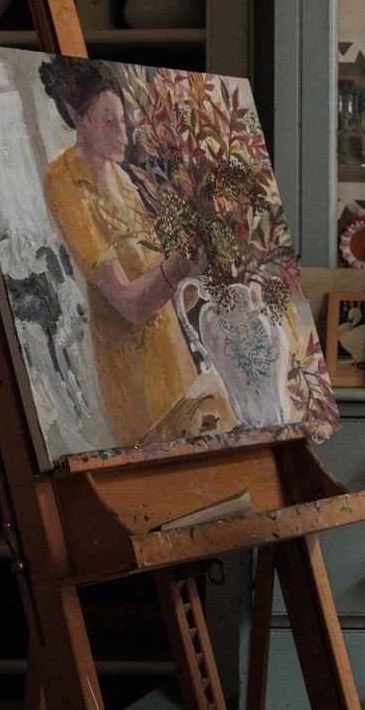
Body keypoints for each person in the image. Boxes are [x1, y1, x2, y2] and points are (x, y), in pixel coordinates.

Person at [37, 56, 234, 446]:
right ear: (77, 116)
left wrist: (196, 266)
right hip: (133, 377)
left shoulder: (125, 179)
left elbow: (160, 275)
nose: (122, 133)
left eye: (122, 120)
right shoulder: (64, 181)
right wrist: (177, 269)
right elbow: (129, 304)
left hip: (174, 357)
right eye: (109, 121)